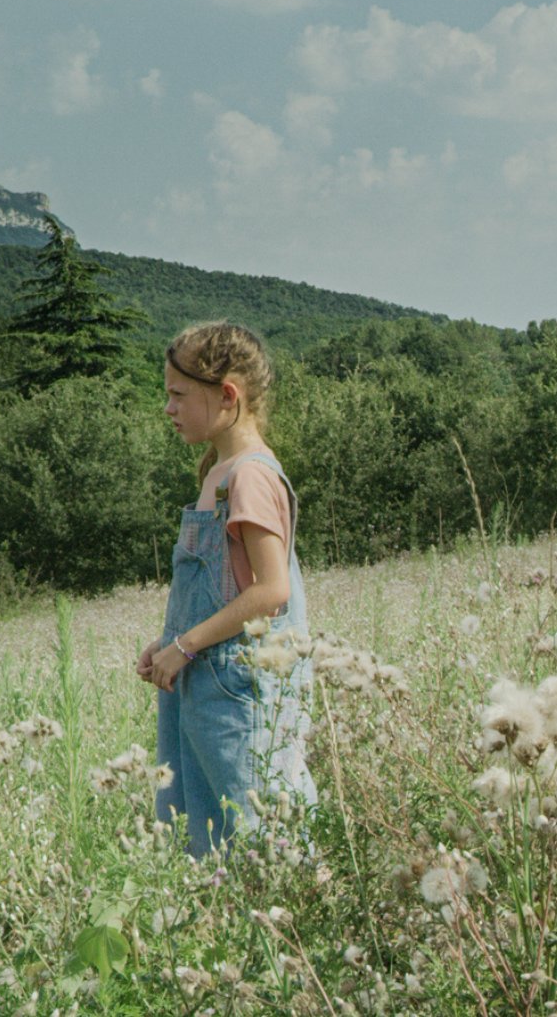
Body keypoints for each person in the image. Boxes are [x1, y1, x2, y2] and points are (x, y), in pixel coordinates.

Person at [139, 321, 316, 857]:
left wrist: (187, 645)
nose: (167, 408)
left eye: (178, 395)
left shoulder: (251, 476)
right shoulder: (217, 471)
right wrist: (169, 640)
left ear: (227, 396)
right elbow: (217, 585)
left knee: (259, 826)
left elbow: (271, 591)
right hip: (206, 681)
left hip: (240, 688)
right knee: (211, 830)